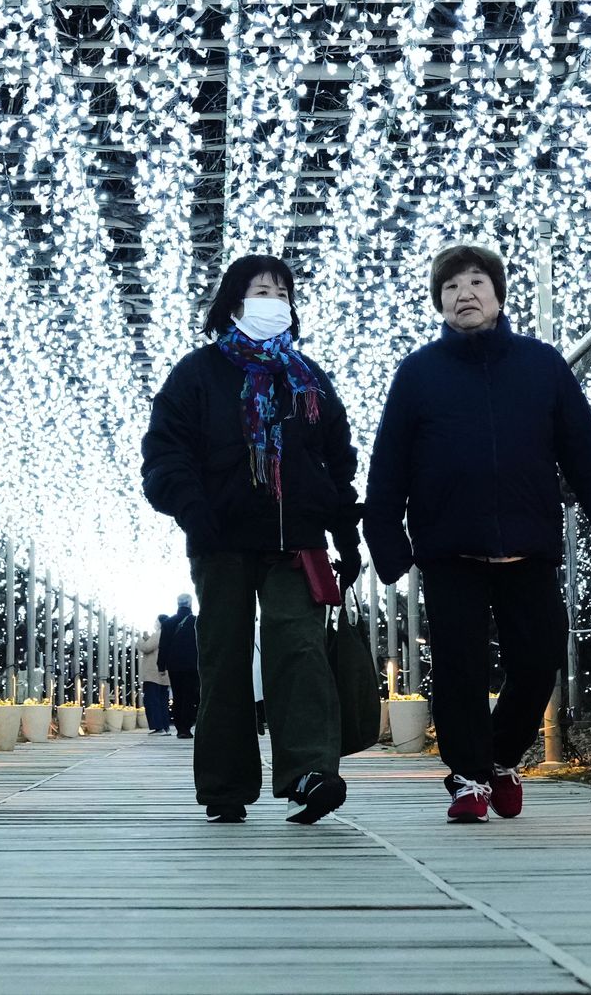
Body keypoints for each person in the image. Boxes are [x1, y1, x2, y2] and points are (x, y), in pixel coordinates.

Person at [364, 243, 591, 824]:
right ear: (439, 302)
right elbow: (389, 464)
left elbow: (585, 451)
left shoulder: (542, 366)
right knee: (458, 668)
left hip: (528, 546)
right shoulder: (418, 374)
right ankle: (466, 779)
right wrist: (387, 541)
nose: (465, 294)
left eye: (477, 282)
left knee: (538, 661)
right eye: (452, 286)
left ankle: (502, 757)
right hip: (449, 549)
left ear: (498, 294)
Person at [141, 255, 362, 825]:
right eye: (263, 289)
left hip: (298, 541)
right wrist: (194, 509)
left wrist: (346, 531)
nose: (275, 299)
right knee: (224, 657)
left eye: (284, 291)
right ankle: (225, 783)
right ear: (234, 303)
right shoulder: (197, 373)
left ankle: (310, 773)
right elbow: (164, 452)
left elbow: (337, 460)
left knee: (300, 649)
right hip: (222, 541)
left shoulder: (306, 379)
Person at [158, 596, 199, 737]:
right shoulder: (196, 621)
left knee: (177, 695)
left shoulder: (168, 623)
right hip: (192, 665)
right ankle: (186, 728)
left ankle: (179, 727)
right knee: (189, 696)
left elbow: (163, 646)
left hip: (174, 665)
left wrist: (161, 666)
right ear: (190, 604)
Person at [139, 617, 174, 733]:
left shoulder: (158, 634)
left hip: (153, 674)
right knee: (162, 701)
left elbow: (146, 647)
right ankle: (164, 725)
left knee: (151, 700)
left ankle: (158, 726)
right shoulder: (169, 634)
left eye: (156, 621)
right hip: (164, 674)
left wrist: (141, 640)